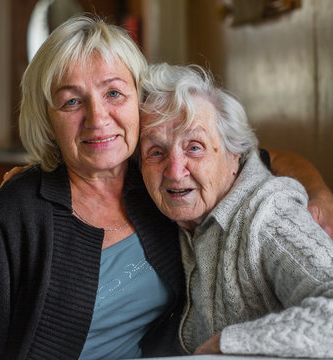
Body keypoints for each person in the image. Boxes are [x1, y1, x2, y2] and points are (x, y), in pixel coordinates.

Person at [0, 14, 332, 360]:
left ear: (136, 101)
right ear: (48, 119)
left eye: (113, 93)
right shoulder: (21, 211)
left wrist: (319, 193)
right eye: (71, 101)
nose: (98, 119)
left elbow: (260, 158)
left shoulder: (157, 176)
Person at [139, 63, 333, 358]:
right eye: (156, 152)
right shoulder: (180, 214)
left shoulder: (268, 215)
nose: (175, 172)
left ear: (235, 154)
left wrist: (229, 343)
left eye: (194, 147)